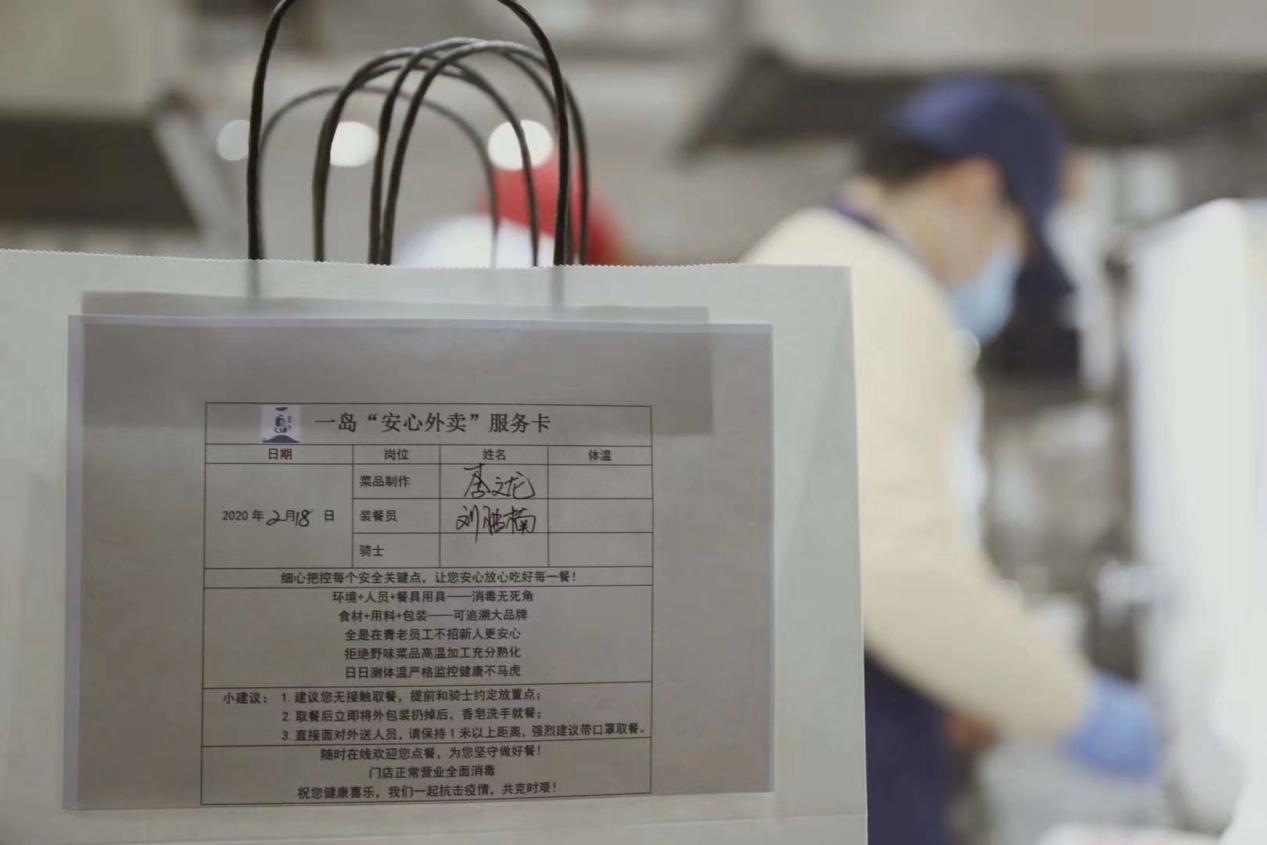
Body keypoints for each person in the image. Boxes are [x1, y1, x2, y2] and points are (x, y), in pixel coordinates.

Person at [745, 79, 1161, 845]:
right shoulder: (872, 290)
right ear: (971, 188)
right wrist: (1078, 710)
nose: (1007, 267)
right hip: (841, 753)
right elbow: (891, 563)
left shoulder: (812, 260)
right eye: (1016, 238)